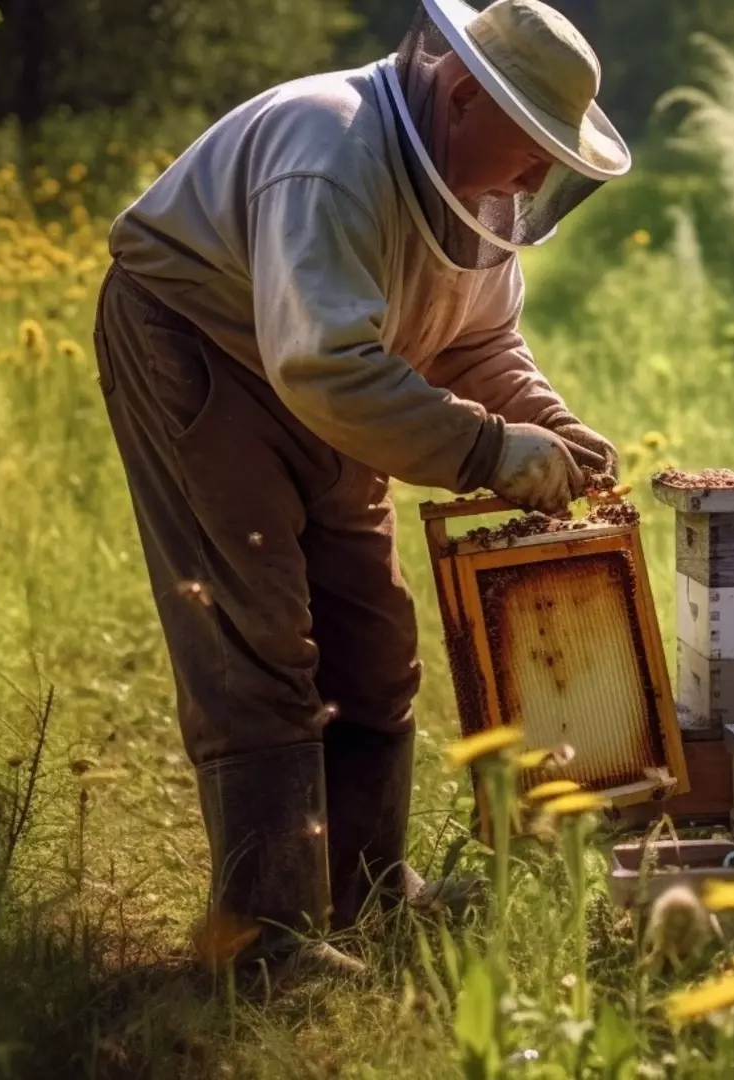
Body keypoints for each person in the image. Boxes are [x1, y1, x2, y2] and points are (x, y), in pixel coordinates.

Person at [90, 0, 627, 978]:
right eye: (533, 145)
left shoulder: (484, 187)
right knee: (259, 632)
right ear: (462, 93)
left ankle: (370, 892)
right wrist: (485, 451)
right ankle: (266, 939)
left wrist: (545, 425)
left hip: (329, 377)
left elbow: (478, 341)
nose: (539, 175)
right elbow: (325, 368)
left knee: (373, 638)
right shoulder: (329, 149)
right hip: (199, 345)